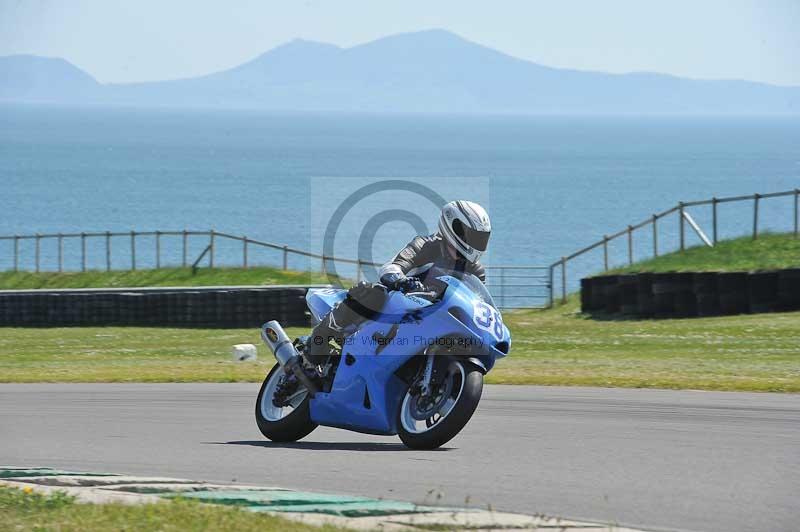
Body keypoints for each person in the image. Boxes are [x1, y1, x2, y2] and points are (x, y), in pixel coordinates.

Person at [304, 200, 491, 365]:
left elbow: (476, 302)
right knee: (373, 292)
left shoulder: (476, 270)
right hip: (399, 305)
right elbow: (393, 266)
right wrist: (401, 280)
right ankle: (317, 343)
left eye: (482, 238)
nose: (478, 243)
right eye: (473, 236)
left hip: (433, 318)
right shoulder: (425, 246)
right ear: (454, 228)